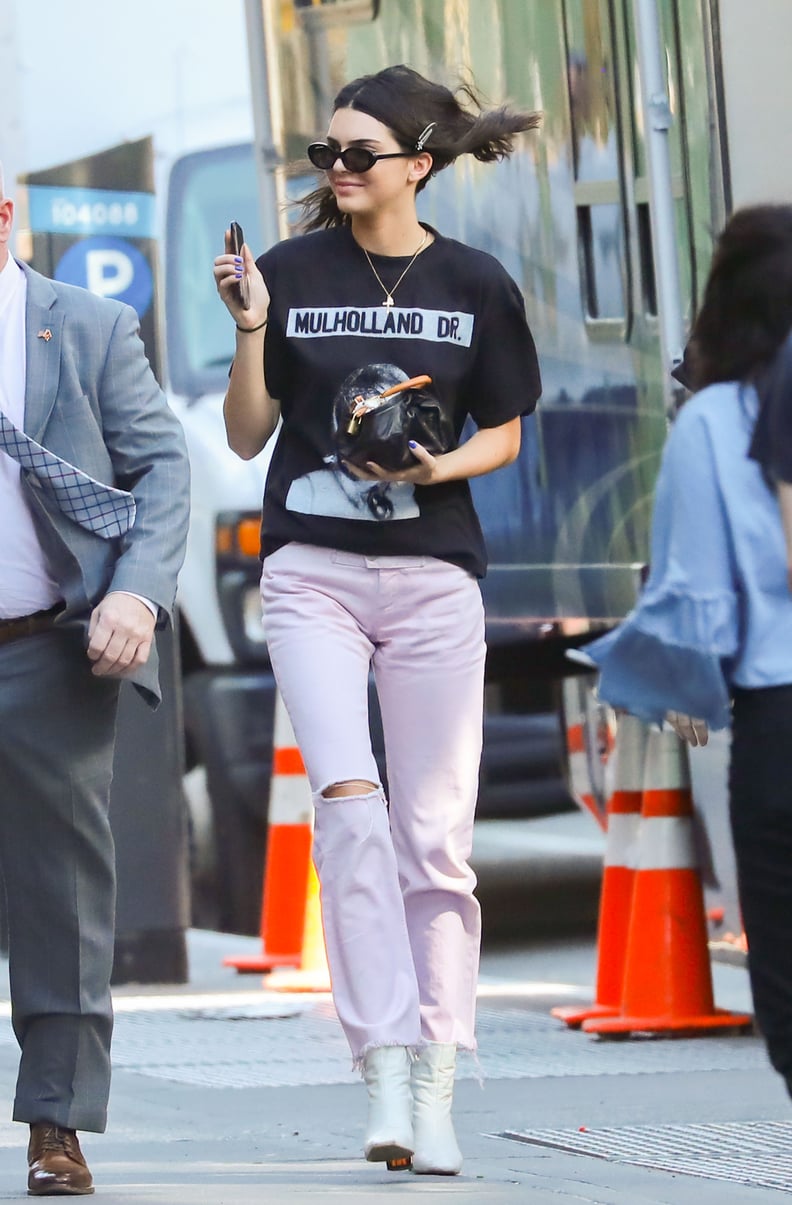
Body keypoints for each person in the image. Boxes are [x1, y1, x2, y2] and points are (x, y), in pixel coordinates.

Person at [214, 64, 541, 1175]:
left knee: (434, 840)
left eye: (360, 154)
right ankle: (385, 1068)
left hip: (437, 571)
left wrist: (444, 460)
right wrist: (252, 327)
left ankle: (440, 1076)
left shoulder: (476, 280)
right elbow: (246, 434)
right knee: (348, 806)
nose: (339, 172)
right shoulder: (289, 271)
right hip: (313, 566)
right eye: (326, 155)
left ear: (420, 164)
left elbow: (504, 428)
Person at [0, 164, 190, 1194]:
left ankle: (57, 1123)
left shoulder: (86, 326)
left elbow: (163, 466)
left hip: (47, 643)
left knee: (60, 894)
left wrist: (137, 593)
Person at [583, 204, 792, 1102]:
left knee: (783, 964)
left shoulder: (714, 421)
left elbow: (693, 594)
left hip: (778, 721)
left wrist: (669, 686)